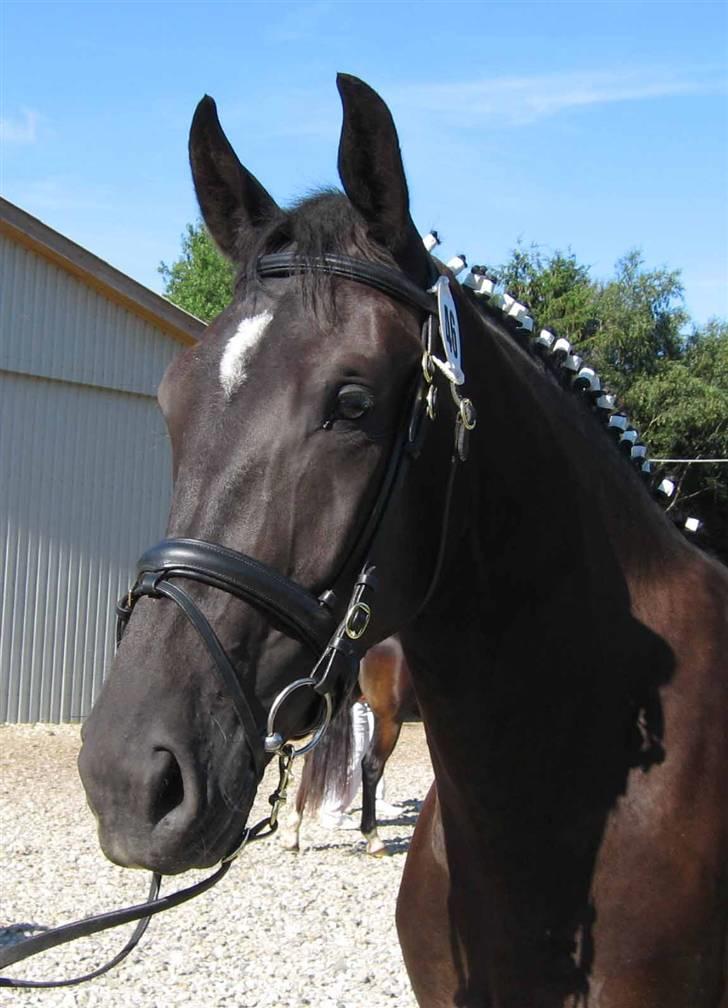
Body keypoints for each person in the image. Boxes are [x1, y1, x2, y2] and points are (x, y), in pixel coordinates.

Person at [318, 699, 402, 829]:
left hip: (368, 703)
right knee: (355, 756)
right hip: (355, 701)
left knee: (374, 752)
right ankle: (331, 811)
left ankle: (375, 798)